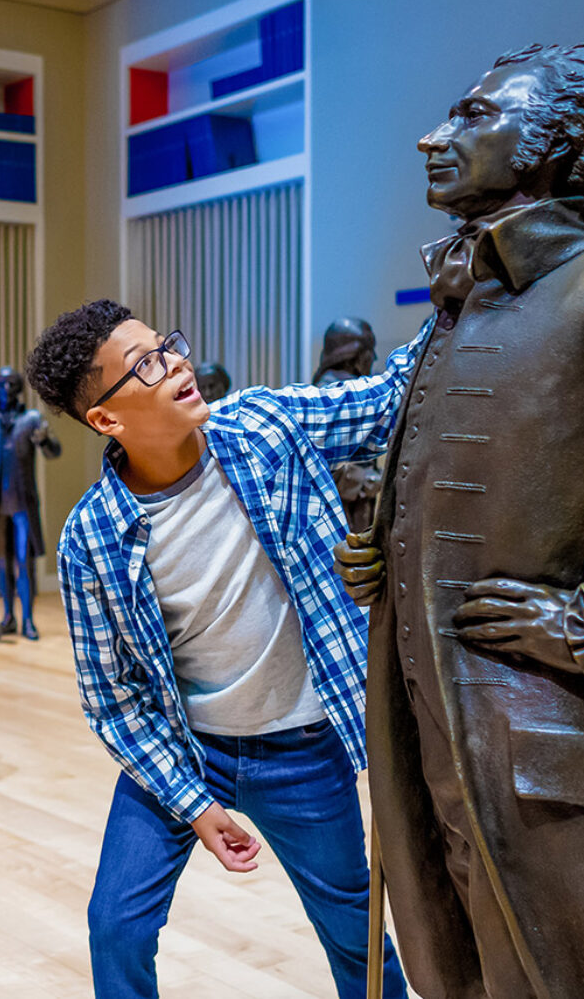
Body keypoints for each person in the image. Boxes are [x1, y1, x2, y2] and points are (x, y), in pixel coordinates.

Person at [335, 44, 584, 999]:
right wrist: (387, 558)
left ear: (554, 144)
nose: (436, 138)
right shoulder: (466, 303)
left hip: (546, 754)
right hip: (434, 734)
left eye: (476, 115)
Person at [25, 298, 422, 999]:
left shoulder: (264, 429)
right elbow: (113, 700)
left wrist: (461, 297)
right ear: (107, 420)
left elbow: (392, 400)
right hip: (188, 752)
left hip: (302, 747)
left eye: (166, 345)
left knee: (355, 930)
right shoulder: (92, 537)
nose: (175, 362)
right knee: (115, 924)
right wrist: (195, 804)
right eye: (145, 365)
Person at [0, 365, 61, 640]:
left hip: (23, 504)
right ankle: (7, 617)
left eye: (13, 384)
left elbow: (54, 452)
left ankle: (28, 620)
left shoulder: (31, 420)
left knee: (24, 563)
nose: (7, 390)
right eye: (2, 384)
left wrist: (46, 439)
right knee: (3, 564)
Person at [311, 319, 381, 533]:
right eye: (370, 350)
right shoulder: (335, 395)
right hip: (338, 516)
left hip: (354, 511)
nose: (374, 358)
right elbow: (319, 463)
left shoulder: (346, 391)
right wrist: (364, 480)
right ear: (354, 353)